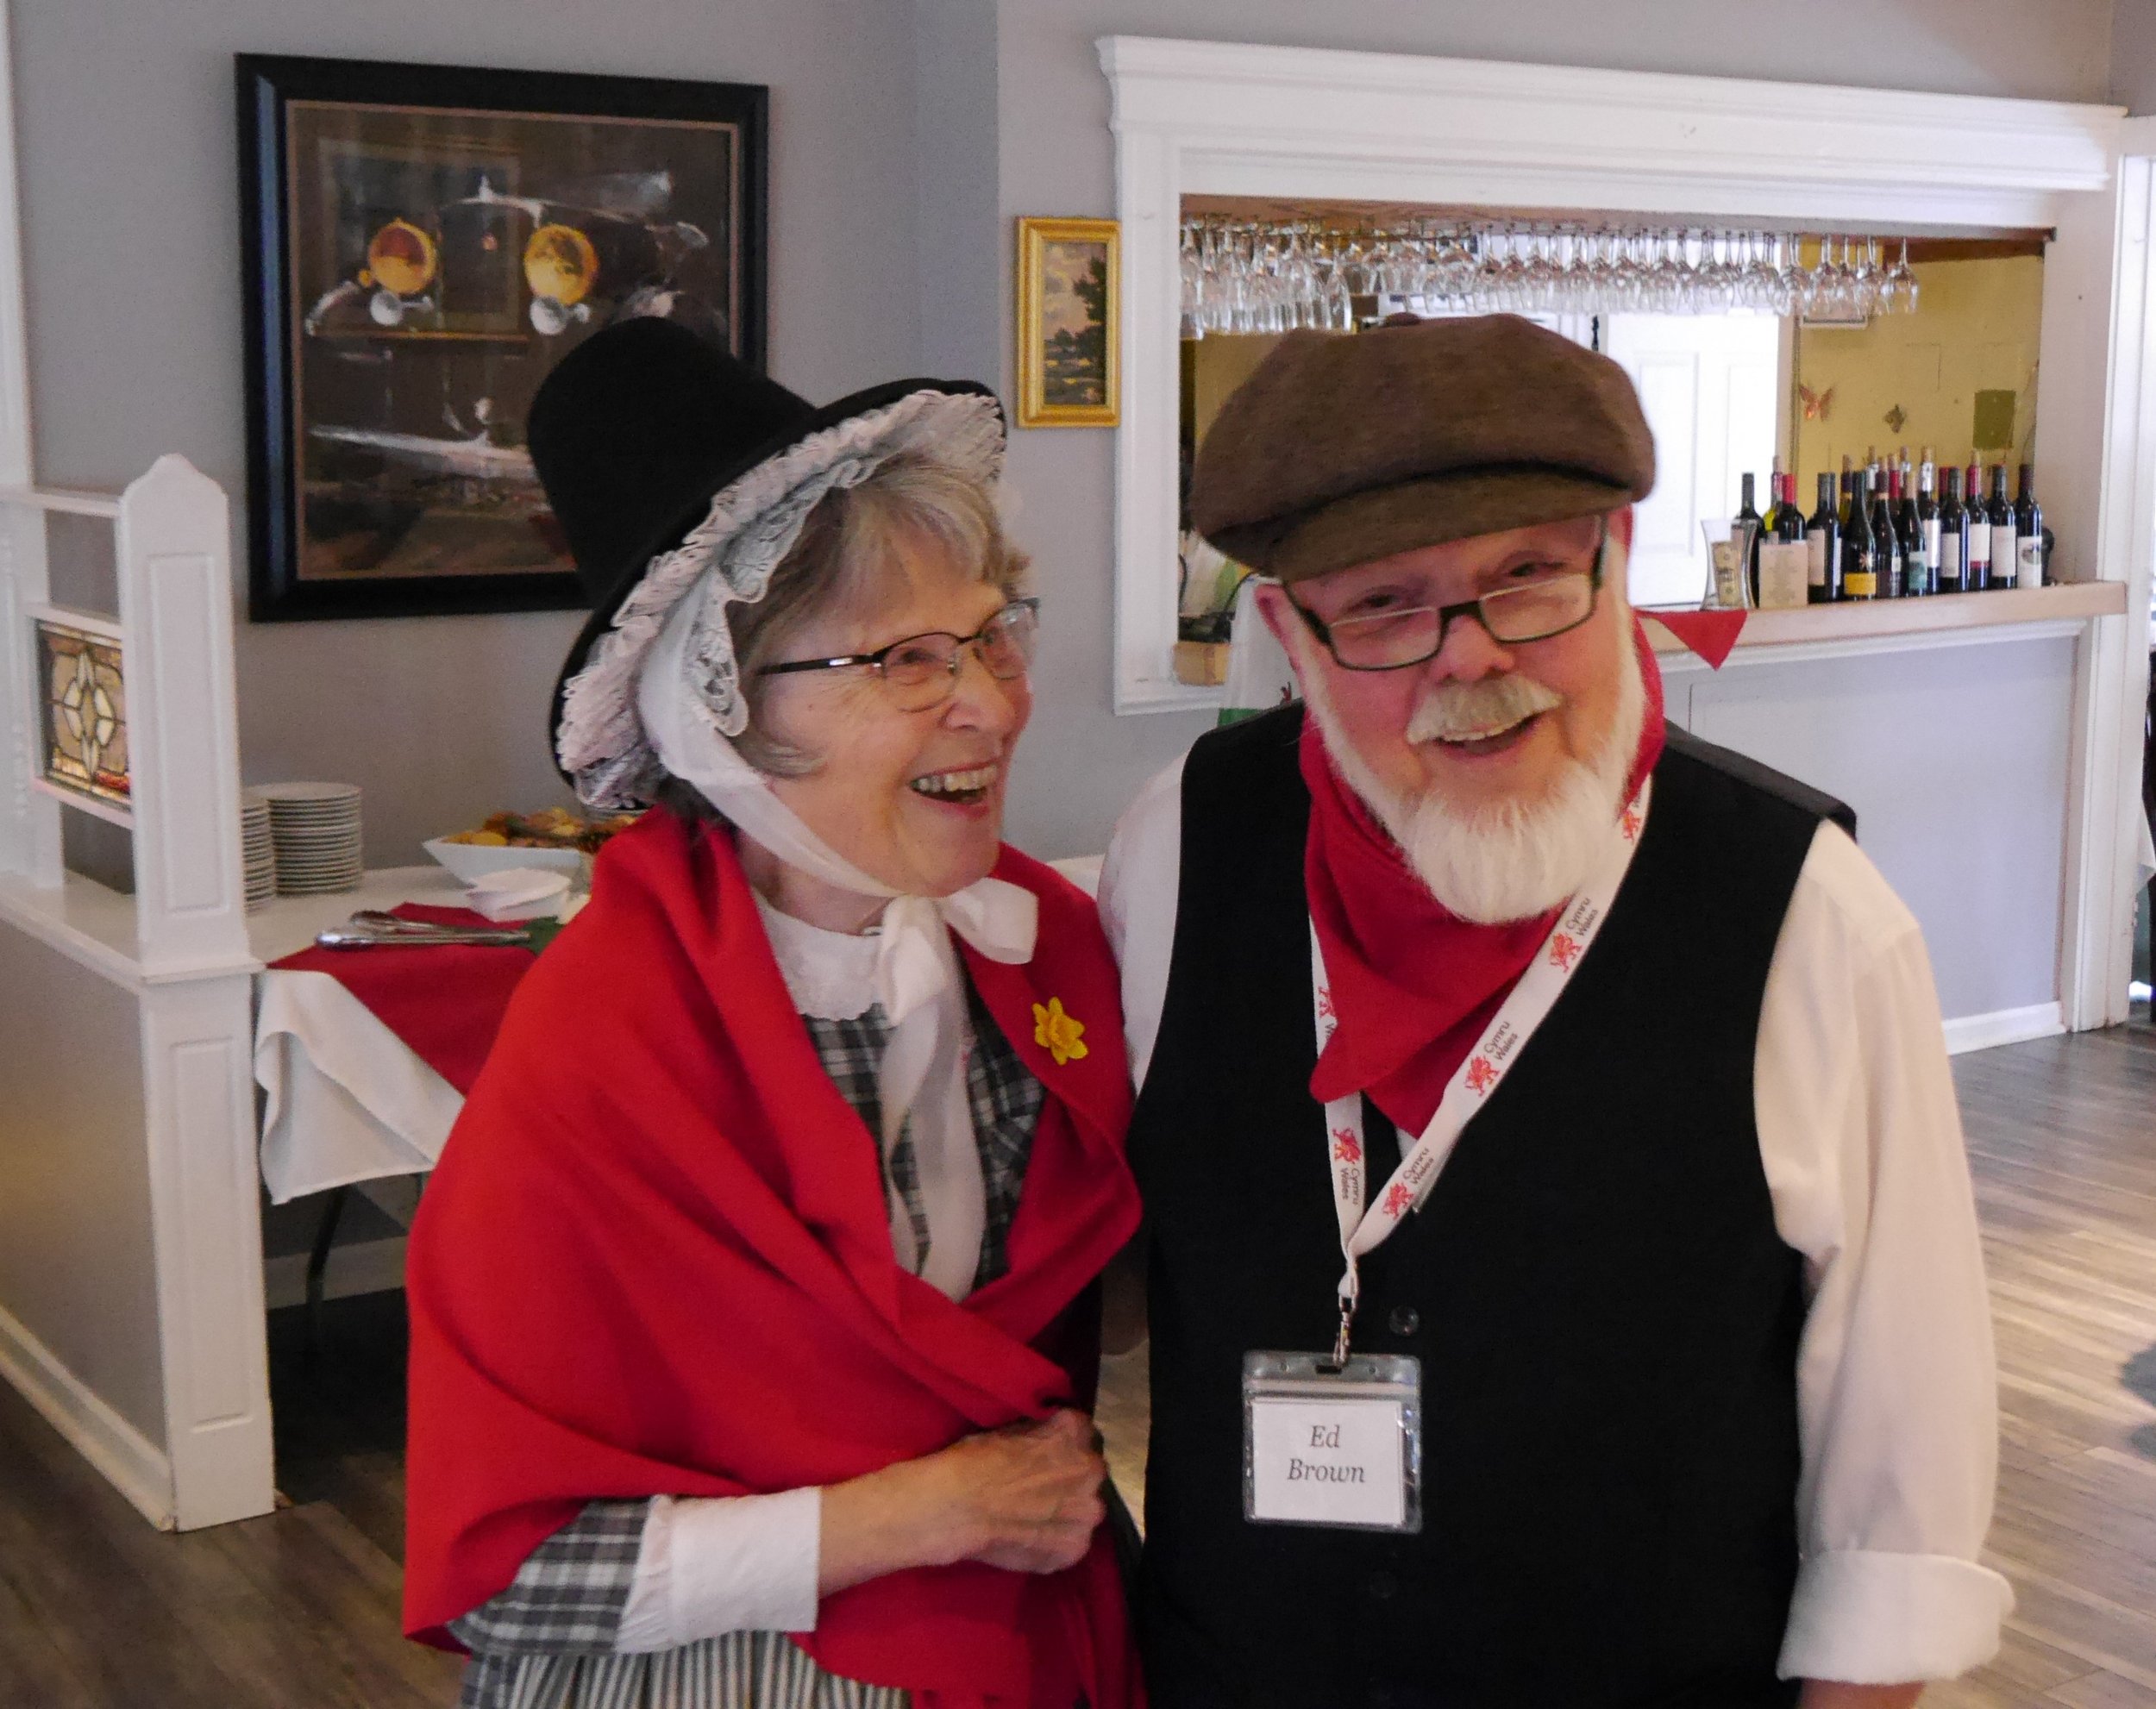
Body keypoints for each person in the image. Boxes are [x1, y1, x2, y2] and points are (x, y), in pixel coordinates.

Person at [1100, 315, 2009, 1709]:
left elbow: (1898, 1519)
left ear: (1619, 563)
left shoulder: (1808, 917)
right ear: (1289, 631)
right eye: (1389, 607)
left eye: (1528, 577)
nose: (1468, 659)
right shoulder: (1178, 849)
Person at [403, 316, 1144, 1709]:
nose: (988, 705)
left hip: (1032, 1644)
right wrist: (926, 1513)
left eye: (991, 637)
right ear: (722, 714)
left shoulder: (1047, 953)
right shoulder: (600, 1051)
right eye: (902, 663)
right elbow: (509, 1575)